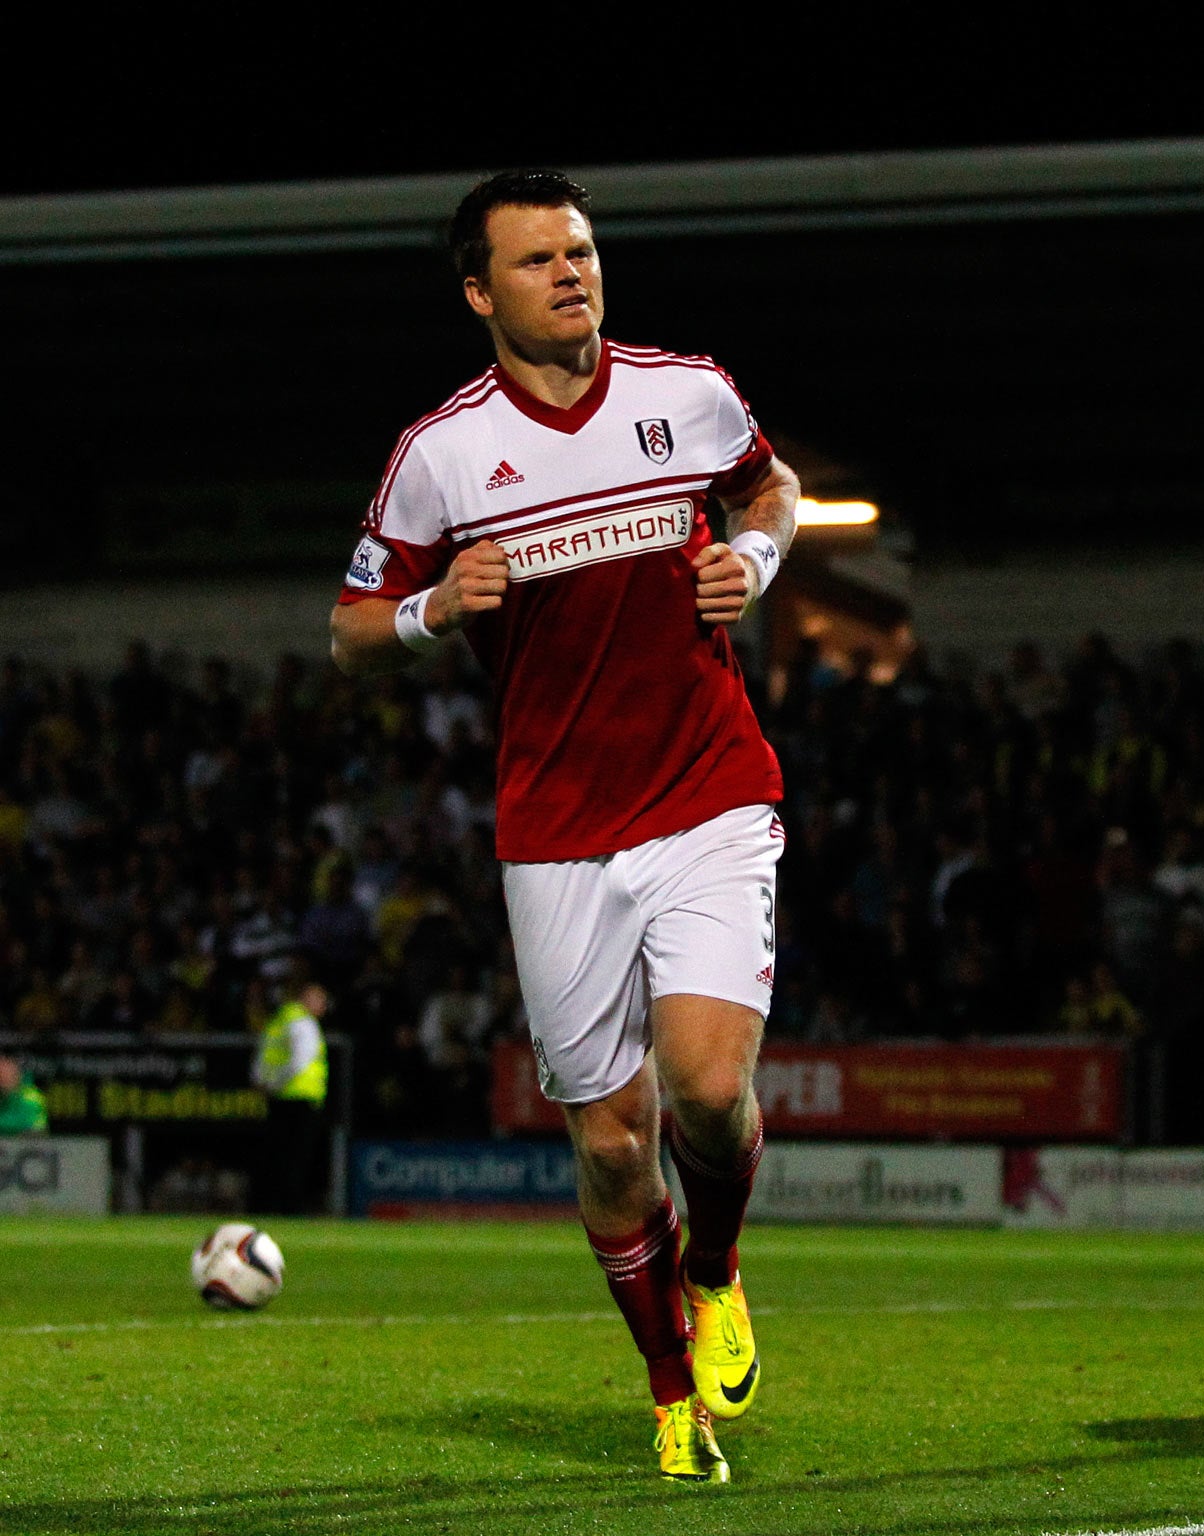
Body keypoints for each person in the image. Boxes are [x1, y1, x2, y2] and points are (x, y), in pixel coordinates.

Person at [329, 169, 800, 1485]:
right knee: (608, 1137)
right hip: (557, 832)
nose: (571, 275)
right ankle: (664, 1386)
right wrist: (432, 612)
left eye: (580, 252)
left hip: (709, 790)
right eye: (536, 262)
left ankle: (716, 1269)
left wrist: (753, 561)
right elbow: (350, 628)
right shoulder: (440, 455)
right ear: (480, 292)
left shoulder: (686, 392)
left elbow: (774, 489)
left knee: (707, 1090)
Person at [251, 973, 330, 1214]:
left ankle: (269, 1205)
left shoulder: (279, 1021)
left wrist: (262, 1082)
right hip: (299, 1099)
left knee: (276, 1154)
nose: (323, 1005)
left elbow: (262, 1057)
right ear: (306, 998)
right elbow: (300, 1061)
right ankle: (291, 1208)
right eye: (319, 999)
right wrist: (275, 1084)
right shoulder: (303, 1023)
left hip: (279, 1099)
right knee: (297, 1158)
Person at [0, 1056, 49, 1135]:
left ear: (16, 1075)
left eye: (4, 1074)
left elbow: (33, 1129)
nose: (2, 1080)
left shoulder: (31, 1097)